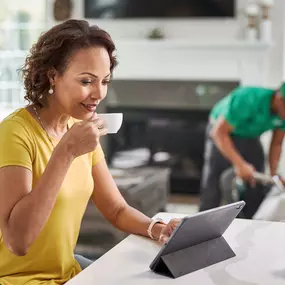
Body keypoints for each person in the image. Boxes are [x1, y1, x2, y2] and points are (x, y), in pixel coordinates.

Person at [0, 19, 180, 285]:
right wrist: (66, 152)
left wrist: (157, 229)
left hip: (66, 271)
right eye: (86, 81)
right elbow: (19, 242)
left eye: (104, 81)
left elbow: (116, 209)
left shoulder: (80, 127)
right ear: (53, 76)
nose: (99, 93)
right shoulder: (14, 133)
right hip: (17, 279)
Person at [199, 84, 285, 211]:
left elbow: (276, 144)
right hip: (222, 132)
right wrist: (240, 165)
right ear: (279, 98)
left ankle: (250, 218)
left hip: (250, 136)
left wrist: (273, 175)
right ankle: (203, 223)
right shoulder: (247, 99)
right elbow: (218, 133)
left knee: (255, 181)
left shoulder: (282, 116)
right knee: (214, 181)